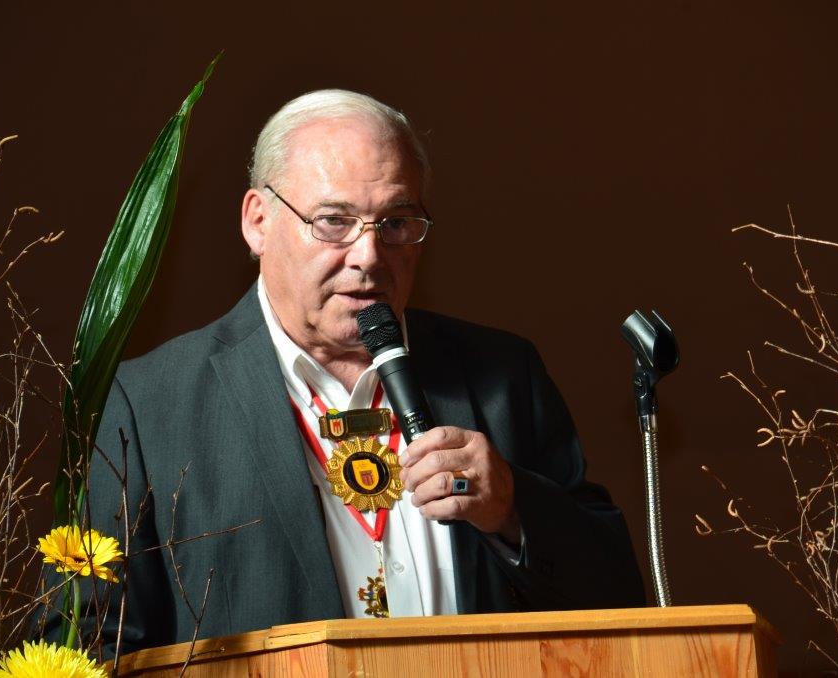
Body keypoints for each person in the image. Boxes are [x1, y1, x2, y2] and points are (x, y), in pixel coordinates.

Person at [70, 90, 644, 654]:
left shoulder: (503, 375)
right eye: (332, 221)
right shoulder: (147, 406)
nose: (369, 255)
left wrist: (511, 508)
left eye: (395, 223)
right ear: (258, 221)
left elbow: (621, 598)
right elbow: (87, 647)